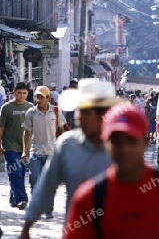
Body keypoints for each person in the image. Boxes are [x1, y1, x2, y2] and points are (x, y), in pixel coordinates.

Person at [63, 102, 159, 238]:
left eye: (131, 141)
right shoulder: (88, 198)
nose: (124, 149)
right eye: (117, 141)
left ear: (145, 142)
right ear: (105, 144)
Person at [21, 79, 121, 239]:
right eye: (78, 111)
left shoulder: (122, 147)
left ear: (103, 114)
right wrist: (27, 225)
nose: (78, 118)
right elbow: (47, 185)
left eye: (86, 112)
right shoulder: (67, 144)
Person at [21, 85, 66, 219]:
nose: (38, 99)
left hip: (52, 152)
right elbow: (27, 132)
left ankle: (48, 210)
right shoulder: (31, 112)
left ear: (48, 98)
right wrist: (25, 151)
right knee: (34, 179)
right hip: (36, 151)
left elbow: (62, 130)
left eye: (41, 97)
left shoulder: (56, 112)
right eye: (36, 96)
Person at [0, 82, 33, 210]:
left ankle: (13, 198)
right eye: (19, 93)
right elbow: (0, 127)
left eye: (24, 93)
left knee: (21, 173)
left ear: (27, 94)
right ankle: (22, 199)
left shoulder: (31, 107)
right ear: (13, 93)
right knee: (15, 172)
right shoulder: (6, 108)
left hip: (25, 147)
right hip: (10, 146)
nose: (21, 95)